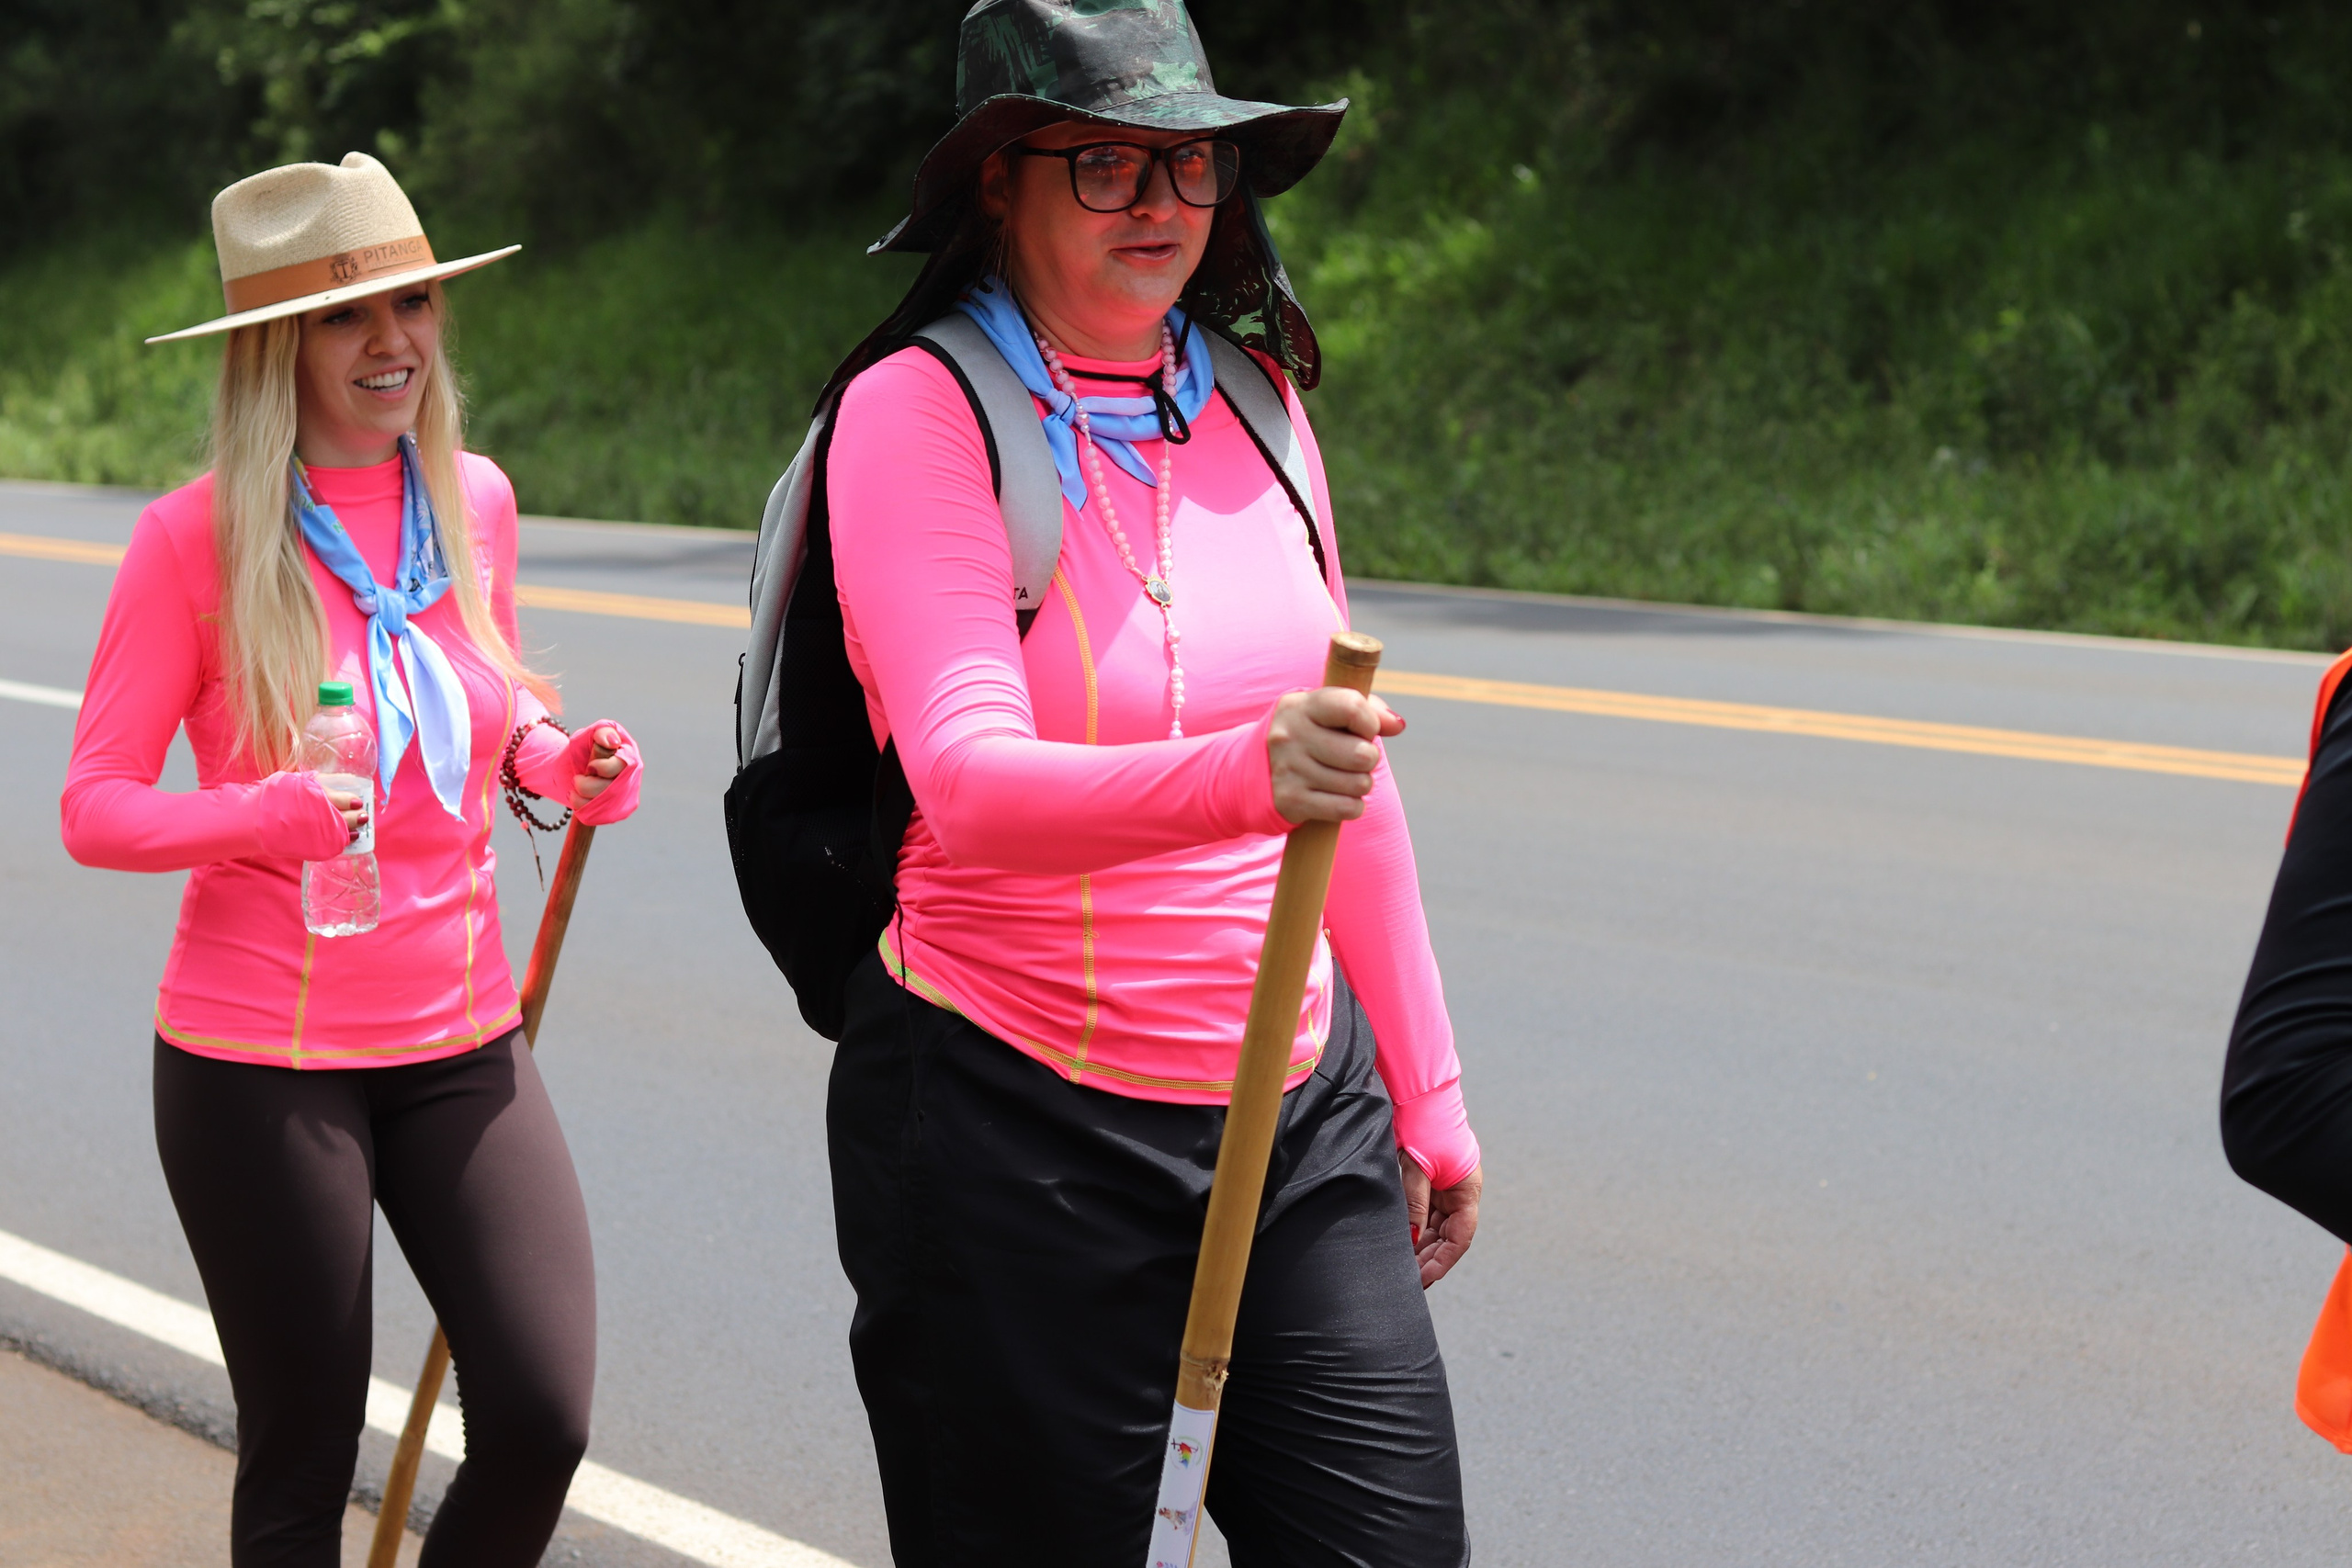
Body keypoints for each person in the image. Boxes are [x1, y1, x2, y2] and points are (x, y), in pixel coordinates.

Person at [810, 4, 1481, 1562]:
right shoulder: (916, 412)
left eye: (1190, 164)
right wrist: (1249, 774)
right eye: (1105, 165)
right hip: (1014, 1122)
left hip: (1292, 1111)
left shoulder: (1259, 400)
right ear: (1001, 183)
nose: (1160, 203)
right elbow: (970, 785)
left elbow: (1348, 782)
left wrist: (1431, 1096)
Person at [59, 152, 641, 1567]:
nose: (395, 341)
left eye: (414, 304)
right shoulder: (192, 541)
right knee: (304, 1462)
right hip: (262, 1061)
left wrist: (561, 761)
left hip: (460, 1036)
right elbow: (96, 808)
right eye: (346, 315)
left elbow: (486, 708)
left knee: (542, 1415)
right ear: (277, 346)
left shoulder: (474, 500)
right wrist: (258, 816)